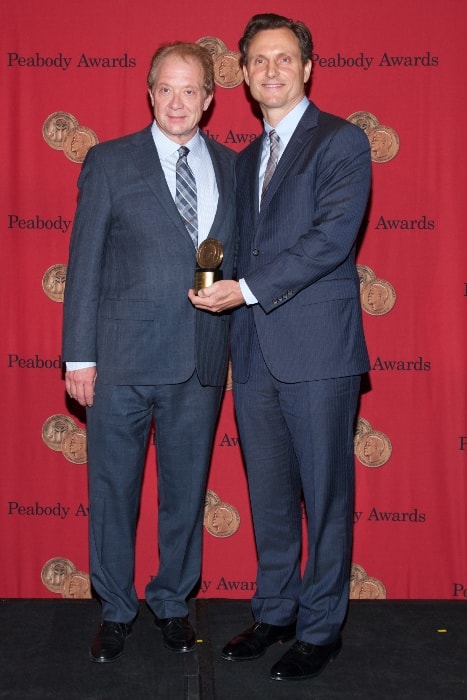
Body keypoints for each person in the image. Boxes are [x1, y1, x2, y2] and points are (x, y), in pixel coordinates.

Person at [189, 13, 371, 682]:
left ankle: (320, 628)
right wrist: (205, 284)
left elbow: (329, 241)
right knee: (267, 495)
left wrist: (246, 287)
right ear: (242, 73)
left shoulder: (341, 142)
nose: (270, 70)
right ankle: (276, 611)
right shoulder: (241, 159)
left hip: (318, 351)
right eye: (258, 60)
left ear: (307, 67)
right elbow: (224, 249)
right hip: (254, 350)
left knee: (323, 496)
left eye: (283, 58)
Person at [62, 41, 236, 663]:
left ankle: (171, 601)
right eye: (167, 88)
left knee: (186, 493)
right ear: (149, 93)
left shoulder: (232, 167)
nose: (178, 101)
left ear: (210, 100)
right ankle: (115, 608)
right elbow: (83, 264)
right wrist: (78, 356)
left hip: (199, 362)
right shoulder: (109, 161)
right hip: (120, 364)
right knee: (113, 489)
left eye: (191, 90)